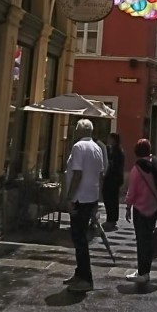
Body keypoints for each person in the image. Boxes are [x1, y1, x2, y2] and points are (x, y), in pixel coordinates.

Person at [63, 119, 107, 293]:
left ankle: (86, 277)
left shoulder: (78, 147)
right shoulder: (97, 148)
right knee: (81, 237)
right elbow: (101, 174)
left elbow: (77, 175)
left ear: (79, 131)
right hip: (91, 197)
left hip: (80, 198)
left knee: (79, 238)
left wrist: (69, 197)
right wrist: (97, 199)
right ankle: (79, 273)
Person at [124, 139, 157, 285]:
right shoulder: (156, 165)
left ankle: (143, 272)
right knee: (148, 240)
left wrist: (128, 206)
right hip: (154, 208)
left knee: (142, 241)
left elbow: (132, 191)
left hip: (140, 209)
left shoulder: (137, 169)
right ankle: (144, 270)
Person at [102, 132, 125, 229]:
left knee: (111, 200)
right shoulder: (114, 150)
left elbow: (114, 166)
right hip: (113, 178)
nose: (108, 140)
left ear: (114, 140)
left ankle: (111, 220)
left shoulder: (117, 152)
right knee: (111, 199)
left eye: (109, 138)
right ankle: (111, 219)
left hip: (113, 179)